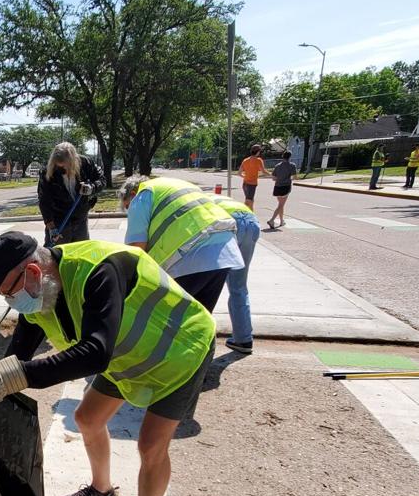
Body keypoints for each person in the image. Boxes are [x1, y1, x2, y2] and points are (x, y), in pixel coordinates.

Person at [0, 232, 216, 496]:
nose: (12, 301)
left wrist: (17, 377)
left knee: (151, 445)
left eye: (10, 292)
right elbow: (18, 355)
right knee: (87, 418)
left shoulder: (100, 269)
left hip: (178, 350)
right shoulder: (38, 295)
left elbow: (96, 352)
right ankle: (102, 491)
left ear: (34, 272)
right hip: (126, 355)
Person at [119, 175, 241, 313]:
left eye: (128, 208)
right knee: (200, 319)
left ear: (132, 195)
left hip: (191, 255)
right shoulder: (176, 184)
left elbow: (136, 250)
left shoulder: (142, 196)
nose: (130, 212)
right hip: (223, 250)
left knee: (167, 318)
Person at [212, 196, 261, 354]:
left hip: (228, 223)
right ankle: (243, 339)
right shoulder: (216, 198)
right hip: (252, 221)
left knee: (208, 282)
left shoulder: (195, 204)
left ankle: (200, 336)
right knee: (238, 286)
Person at [36, 141, 104, 246]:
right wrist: (51, 227)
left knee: (81, 250)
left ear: (74, 160)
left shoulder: (86, 163)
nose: (63, 169)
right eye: (59, 167)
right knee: (56, 254)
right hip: (59, 219)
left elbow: (102, 180)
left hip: (80, 216)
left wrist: (92, 188)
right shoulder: (47, 171)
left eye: (65, 166)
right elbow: (44, 200)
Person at [268, 151, 297, 230]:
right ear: (290, 157)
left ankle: (281, 221)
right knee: (281, 205)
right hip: (285, 187)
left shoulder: (277, 166)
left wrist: (279, 178)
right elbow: (294, 177)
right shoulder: (292, 165)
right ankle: (271, 220)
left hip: (277, 187)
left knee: (280, 205)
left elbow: (273, 178)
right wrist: (288, 178)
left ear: (282, 156)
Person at [238, 144, 267, 209]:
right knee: (248, 201)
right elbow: (264, 171)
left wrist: (245, 177)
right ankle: (240, 214)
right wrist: (272, 175)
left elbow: (239, 173)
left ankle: (251, 215)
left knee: (251, 200)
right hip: (252, 185)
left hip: (245, 184)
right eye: (260, 151)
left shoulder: (245, 160)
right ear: (258, 151)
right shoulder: (258, 160)